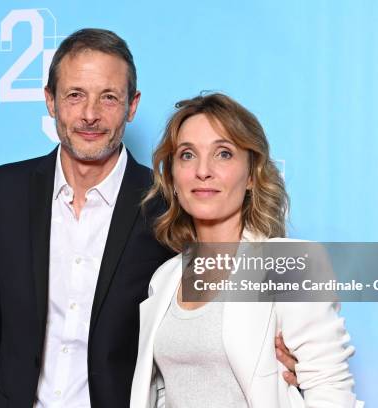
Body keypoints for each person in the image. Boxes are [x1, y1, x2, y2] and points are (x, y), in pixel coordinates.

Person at [0, 29, 298, 408]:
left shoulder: (167, 206)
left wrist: (279, 351)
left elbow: (211, 313)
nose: (90, 114)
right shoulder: (3, 192)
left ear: (132, 105)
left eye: (109, 98)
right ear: (50, 101)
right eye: (75, 95)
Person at [130, 93, 360, 407]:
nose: (203, 170)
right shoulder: (165, 278)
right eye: (187, 155)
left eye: (223, 154)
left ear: (251, 175)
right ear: (172, 175)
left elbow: (330, 390)